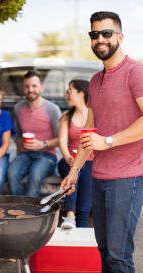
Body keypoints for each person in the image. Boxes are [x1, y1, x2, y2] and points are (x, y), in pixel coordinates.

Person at [60, 11, 143, 273]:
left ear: (120, 36)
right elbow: (89, 130)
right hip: (100, 176)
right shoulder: (96, 81)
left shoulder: (136, 72)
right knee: (105, 252)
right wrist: (74, 170)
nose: (100, 39)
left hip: (129, 177)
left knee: (119, 257)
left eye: (106, 33)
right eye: (94, 34)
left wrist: (108, 141)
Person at [8, 70, 62, 197]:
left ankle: (30, 213)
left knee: (35, 175)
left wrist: (42, 144)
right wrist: (19, 153)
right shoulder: (18, 108)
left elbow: (62, 139)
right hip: (26, 154)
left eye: (34, 86)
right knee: (11, 173)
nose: (30, 89)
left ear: (41, 88)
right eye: (27, 86)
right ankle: (19, 209)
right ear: (23, 88)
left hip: (47, 156)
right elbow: (18, 136)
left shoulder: (52, 109)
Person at [58, 79, 93, 229]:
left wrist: (80, 164)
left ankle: (81, 224)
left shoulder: (94, 115)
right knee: (73, 170)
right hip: (69, 161)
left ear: (81, 93)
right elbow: (62, 142)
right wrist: (68, 158)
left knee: (85, 172)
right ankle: (70, 215)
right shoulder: (66, 116)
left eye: (69, 90)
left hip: (89, 162)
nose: (66, 94)